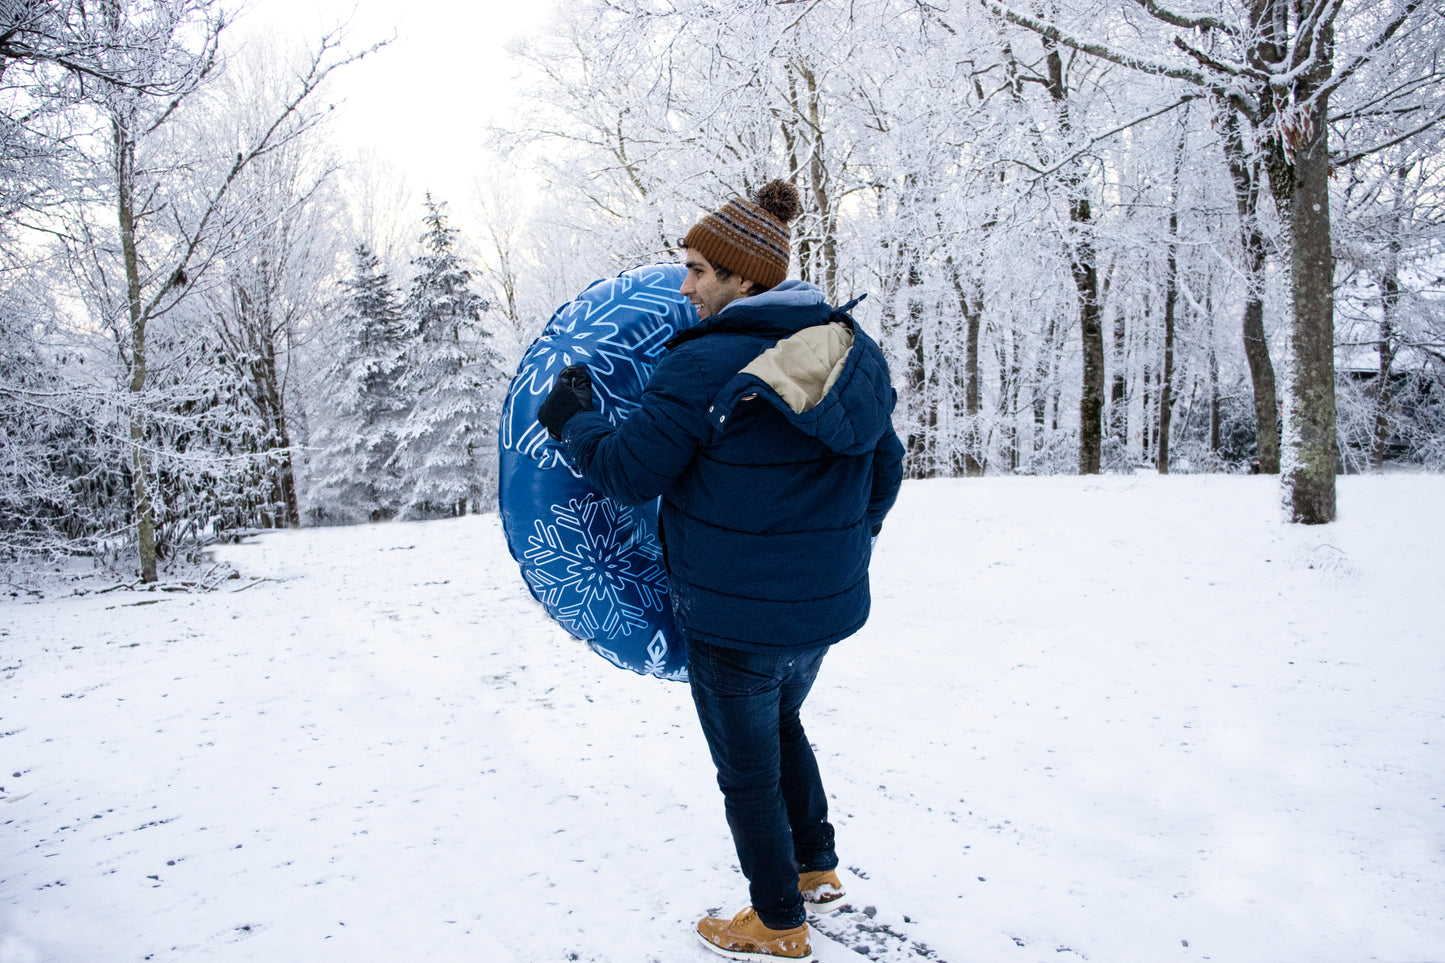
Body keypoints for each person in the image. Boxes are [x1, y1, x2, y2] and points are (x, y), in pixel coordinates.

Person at [537, 178, 905, 962]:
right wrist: (841, 546)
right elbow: (886, 467)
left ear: (745, 277)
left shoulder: (703, 366)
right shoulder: (847, 347)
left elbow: (632, 472)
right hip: (824, 608)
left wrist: (574, 419)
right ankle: (815, 864)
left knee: (746, 769)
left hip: (735, 619)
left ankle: (775, 920)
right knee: (781, 722)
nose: (685, 284)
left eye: (700, 269)